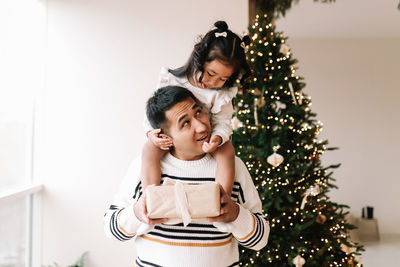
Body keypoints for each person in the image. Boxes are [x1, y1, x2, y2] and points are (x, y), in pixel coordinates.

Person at [104, 86, 269, 267]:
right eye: (185, 123)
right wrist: (137, 213)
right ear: (165, 137)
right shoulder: (141, 167)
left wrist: (236, 214)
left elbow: (260, 240)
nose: (201, 126)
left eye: (198, 112)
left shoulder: (234, 166)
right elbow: (110, 230)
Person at [141, 21, 251, 197]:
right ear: (198, 59)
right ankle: (151, 196)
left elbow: (223, 122)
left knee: (227, 151)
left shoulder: (221, 94)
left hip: (209, 135)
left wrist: (217, 138)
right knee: (149, 149)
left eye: (223, 79)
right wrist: (151, 134)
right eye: (211, 73)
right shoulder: (171, 79)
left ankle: (221, 198)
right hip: (175, 135)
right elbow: (154, 110)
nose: (213, 82)